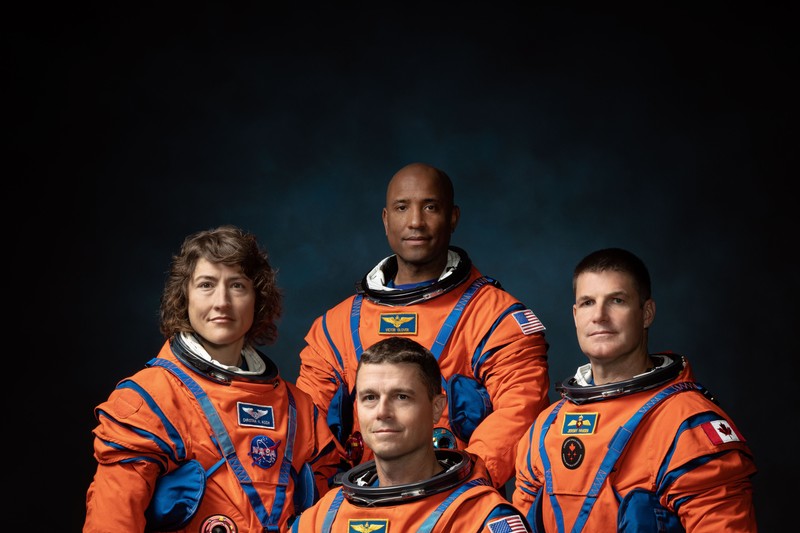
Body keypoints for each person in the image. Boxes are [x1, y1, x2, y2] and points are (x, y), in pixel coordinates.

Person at [296, 162, 550, 490]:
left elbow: (520, 410)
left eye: (430, 207)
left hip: (454, 506)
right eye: (402, 208)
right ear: (386, 219)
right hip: (359, 507)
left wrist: (459, 487)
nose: (416, 222)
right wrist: (331, 501)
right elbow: (307, 426)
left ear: (453, 217)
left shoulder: (496, 317)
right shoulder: (336, 327)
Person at [83, 225, 346, 533]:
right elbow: (112, 522)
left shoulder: (298, 410)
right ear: (185, 298)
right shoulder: (149, 400)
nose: (221, 302)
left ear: (257, 300)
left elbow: (330, 518)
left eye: (237, 286)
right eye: (206, 285)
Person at [513, 247, 758, 532]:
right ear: (576, 315)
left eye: (617, 300)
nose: (600, 316)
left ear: (646, 313)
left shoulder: (687, 425)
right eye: (588, 302)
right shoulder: (546, 428)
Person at [292, 336, 532, 532]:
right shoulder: (322, 519)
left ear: (437, 408)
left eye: (401, 397)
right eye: (370, 398)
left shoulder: (480, 518)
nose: (382, 412)